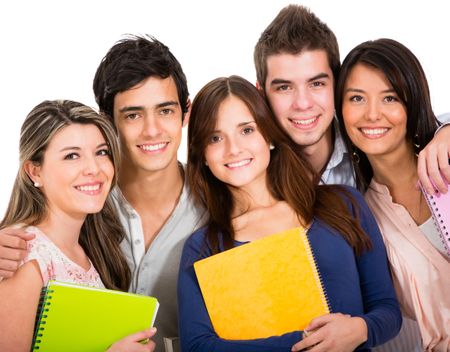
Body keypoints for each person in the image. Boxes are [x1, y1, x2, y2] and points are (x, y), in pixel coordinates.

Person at [0, 36, 206, 351]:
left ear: (185, 113)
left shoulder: (218, 205)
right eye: (133, 115)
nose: (152, 130)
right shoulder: (82, 206)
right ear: (107, 121)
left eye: (165, 111)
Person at [178, 75, 401, 351]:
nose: (233, 148)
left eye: (246, 130)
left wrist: (360, 329)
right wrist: (305, 342)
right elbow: (197, 347)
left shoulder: (343, 204)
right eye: (215, 137)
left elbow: (387, 309)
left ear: (268, 136)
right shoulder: (203, 248)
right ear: (201, 155)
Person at [0, 100, 155, 351]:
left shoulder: (87, 248)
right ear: (34, 172)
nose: (94, 168)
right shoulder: (22, 256)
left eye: (101, 152)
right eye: (72, 156)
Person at [253, 4, 450, 193]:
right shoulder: (251, 165)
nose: (303, 103)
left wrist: (446, 132)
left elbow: (424, 119)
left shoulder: (366, 135)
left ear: (338, 83)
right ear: (261, 93)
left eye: (316, 84)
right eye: (284, 87)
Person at [335, 38, 450, 351]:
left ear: (412, 102)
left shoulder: (446, 160)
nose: (372, 114)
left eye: (390, 98)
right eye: (357, 98)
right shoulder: (362, 216)